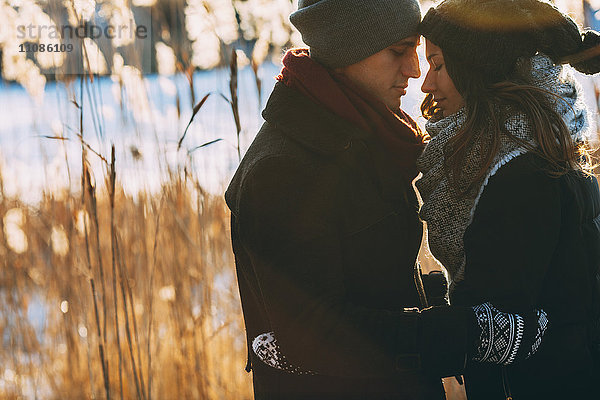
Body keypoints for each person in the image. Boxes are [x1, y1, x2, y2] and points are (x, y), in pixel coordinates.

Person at [225, 0, 548, 398]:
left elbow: (370, 283)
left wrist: (462, 296)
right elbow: (314, 336)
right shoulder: (286, 169)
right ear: (346, 49)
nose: (414, 70)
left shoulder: (355, 138)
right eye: (399, 51)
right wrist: (468, 335)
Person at [417, 0, 600, 398]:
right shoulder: (539, 149)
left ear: (476, 65)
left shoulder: (519, 174)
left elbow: (510, 323)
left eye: (438, 64)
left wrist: (391, 335)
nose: (426, 85)